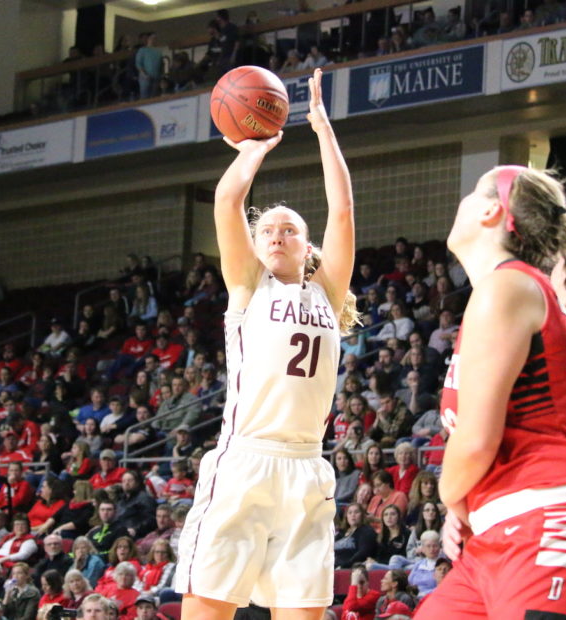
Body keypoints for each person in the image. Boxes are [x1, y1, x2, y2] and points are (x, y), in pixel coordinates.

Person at [174, 68, 357, 620]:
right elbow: (227, 202)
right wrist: (256, 148)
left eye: (290, 229)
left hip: (307, 467)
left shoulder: (328, 291)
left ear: (309, 248)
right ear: (255, 247)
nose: (278, 234)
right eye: (268, 230)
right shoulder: (249, 285)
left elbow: (343, 210)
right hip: (246, 461)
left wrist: (323, 129)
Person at [417, 167, 566, 619]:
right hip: (504, 528)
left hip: (556, 515)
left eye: (470, 193)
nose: (460, 202)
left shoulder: (509, 287)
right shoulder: (507, 290)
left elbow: (476, 442)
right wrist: (469, 504)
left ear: (491, 210)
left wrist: (451, 496)